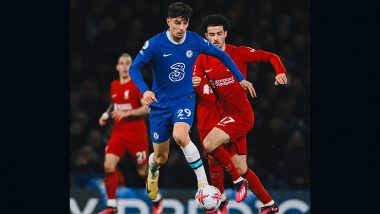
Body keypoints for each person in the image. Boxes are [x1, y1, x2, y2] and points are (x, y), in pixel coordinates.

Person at [129, 2, 255, 209]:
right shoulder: (154, 44)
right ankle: (153, 171)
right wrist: (145, 91)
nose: (181, 27)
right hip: (160, 106)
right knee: (161, 157)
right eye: (177, 23)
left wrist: (240, 78)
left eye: (185, 23)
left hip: (184, 99)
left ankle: (202, 184)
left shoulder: (195, 41)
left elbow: (222, 55)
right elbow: (135, 68)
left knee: (181, 135)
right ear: (168, 21)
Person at [193, 14, 287, 214]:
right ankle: (270, 205)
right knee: (241, 167)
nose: (216, 38)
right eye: (211, 35)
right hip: (223, 119)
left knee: (209, 146)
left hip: (241, 115)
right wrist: (194, 85)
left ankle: (234, 185)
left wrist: (280, 71)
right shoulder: (202, 59)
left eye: (219, 33)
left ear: (226, 33)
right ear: (206, 37)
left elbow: (271, 56)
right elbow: (198, 85)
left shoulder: (239, 53)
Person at [97, 54, 163, 214]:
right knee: (108, 165)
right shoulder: (114, 84)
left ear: (132, 67)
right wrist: (106, 114)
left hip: (136, 134)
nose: (125, 66)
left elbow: (147, 108)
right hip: (118, 133)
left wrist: (127, 113)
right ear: (117, 67)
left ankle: (157, 199)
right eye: (122, 63)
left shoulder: (137, 85)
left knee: (142, 171)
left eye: (128, 63)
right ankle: (111, 205)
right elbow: (115, 102)